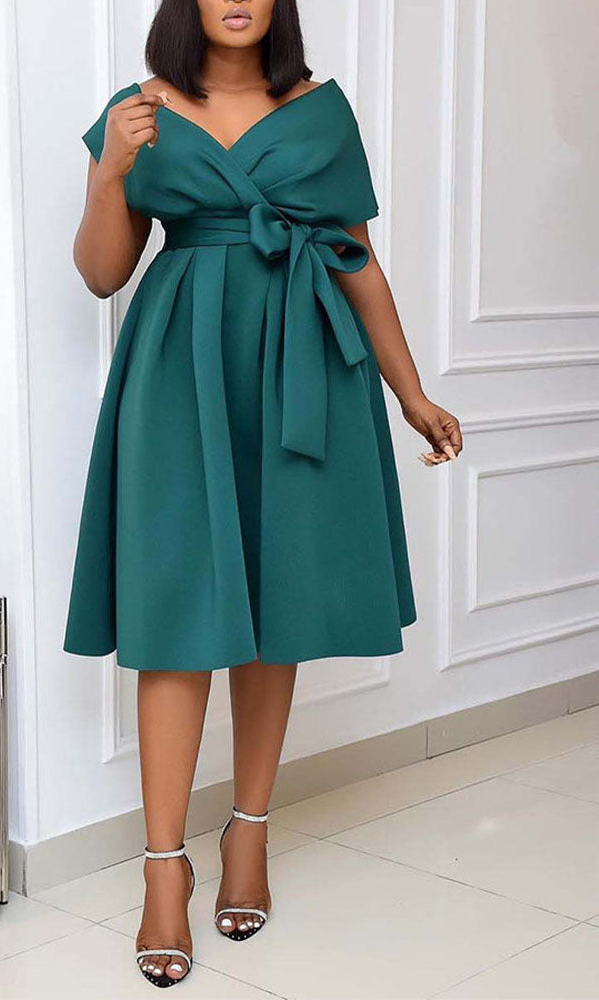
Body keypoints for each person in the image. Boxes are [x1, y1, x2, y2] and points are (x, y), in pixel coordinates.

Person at [64, 0, 462, 988]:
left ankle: (249, 830)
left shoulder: (321, 109)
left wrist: (410, 392)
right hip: (179, 367)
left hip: (302, 361)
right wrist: (111, 172)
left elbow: (355, 256)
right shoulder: (137, 110)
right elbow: (104, 273)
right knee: (175, 611)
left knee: (275, 602)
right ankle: (164, 868)